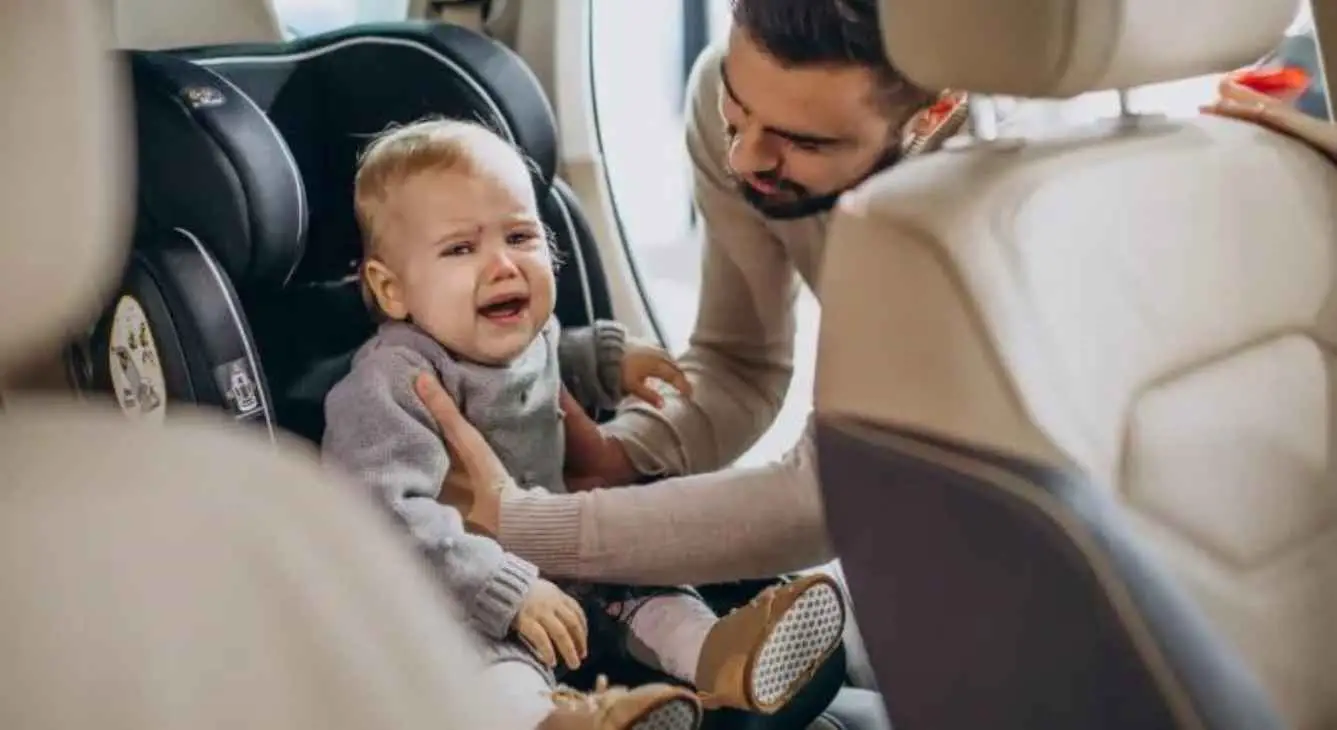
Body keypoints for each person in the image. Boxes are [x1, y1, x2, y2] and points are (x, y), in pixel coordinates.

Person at [410, 0, 968, 588]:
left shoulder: (966, 219)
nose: (742, 157)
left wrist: (530, 526)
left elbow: (837, 492)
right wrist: (619, 453)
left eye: (804, 143)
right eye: (738, 107)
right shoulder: (729, 105)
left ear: (934, 114)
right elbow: (740, 363)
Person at [321, 118, 849, 730]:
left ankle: (723, 659)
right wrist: (502, 585)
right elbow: (379, 514)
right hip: (466, 598)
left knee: (655, 593)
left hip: (567, 564)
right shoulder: (392, 382)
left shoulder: (515, 333)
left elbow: (549, 354)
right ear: (391, 290)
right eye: (461, 249)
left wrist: (604, 359)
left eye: (520, 236)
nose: (503, 266)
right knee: (497, 672)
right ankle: (560, 722)